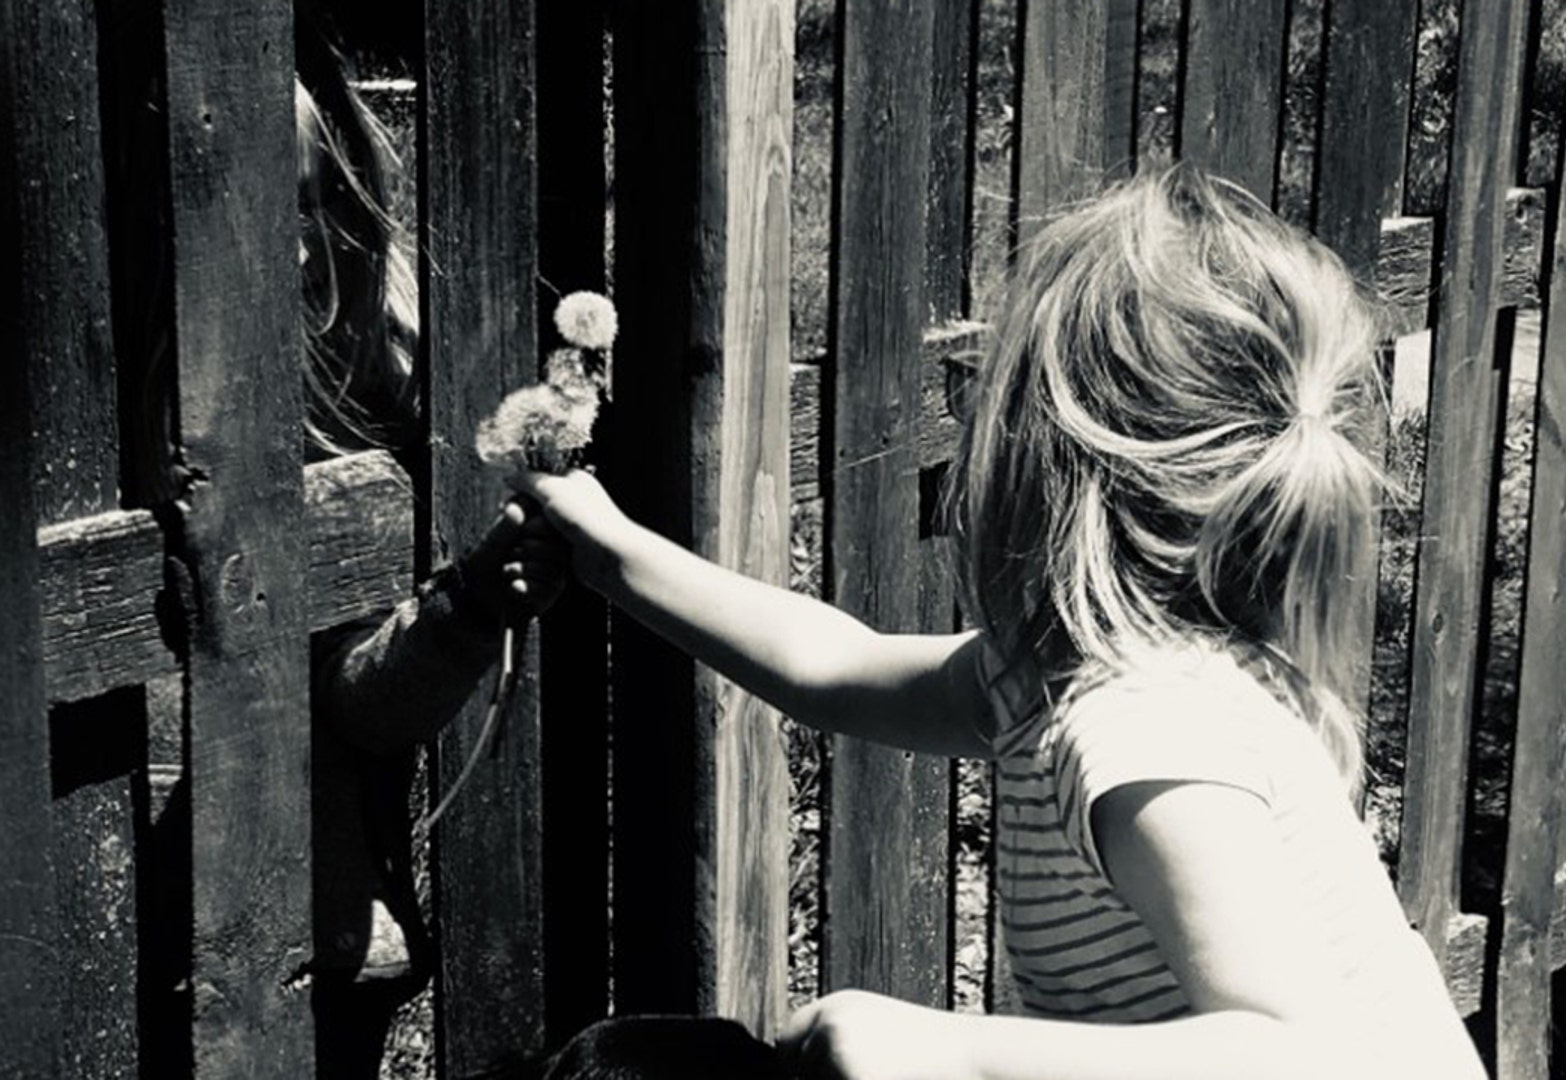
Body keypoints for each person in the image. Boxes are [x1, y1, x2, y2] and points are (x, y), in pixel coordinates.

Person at [513, 166, 1489, 1079]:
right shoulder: (1066, 676)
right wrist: (612, 552)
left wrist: (947, 1051)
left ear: (1048, 464)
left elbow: (1288, 1056)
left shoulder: (1147, 726)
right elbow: (833, 666)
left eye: (986, 395)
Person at [112, 6, 568, 1075]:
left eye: (313, 204)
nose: (290, 243)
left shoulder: (343, 422)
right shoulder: (98, 438)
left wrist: (467, 611)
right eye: (241, 203)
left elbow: (358, 702)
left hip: (303, 950)